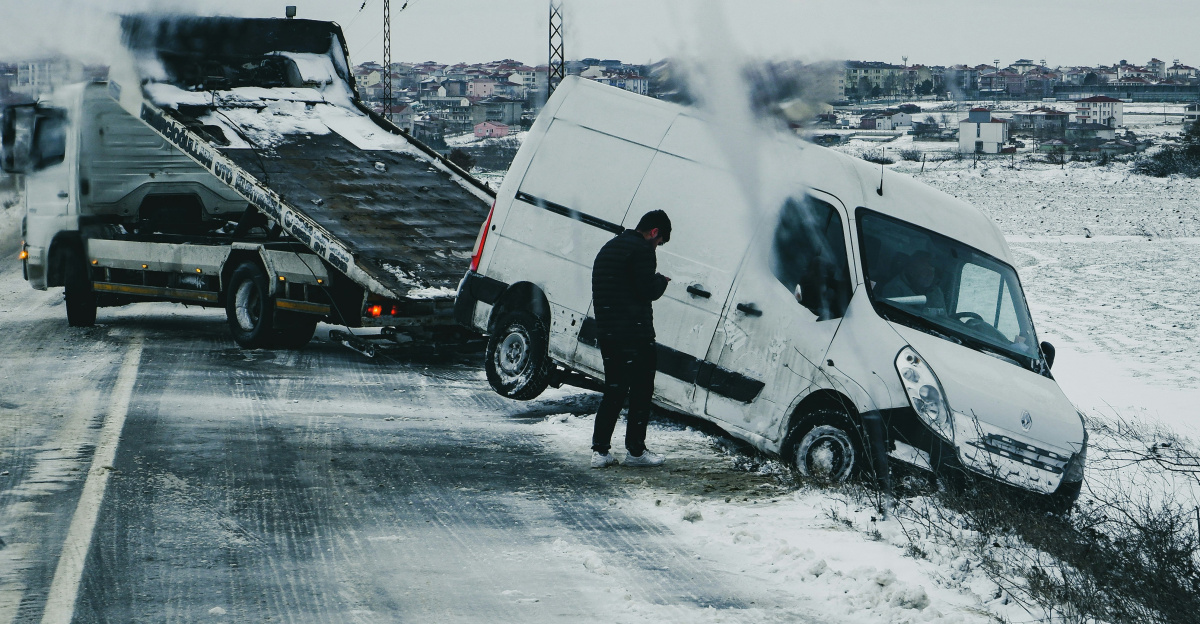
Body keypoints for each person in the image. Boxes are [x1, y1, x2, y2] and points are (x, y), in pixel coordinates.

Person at [589, 210, 672, 468]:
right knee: (641, 391)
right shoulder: (642, 251)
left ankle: (600, 452)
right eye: (660, 242)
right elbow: (646, 289)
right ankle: (636, 452)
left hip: (609, 332)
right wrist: (661, 281)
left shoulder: (610, 247)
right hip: (635, 334)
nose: (657, 247)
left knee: (613, 391)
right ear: (655, 232)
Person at [880, 250, 946, 315]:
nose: (930, 276)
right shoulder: (894, 289)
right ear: (912, 272)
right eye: (925, 271)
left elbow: (944, 320)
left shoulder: (936, 292)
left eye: (932, 272)